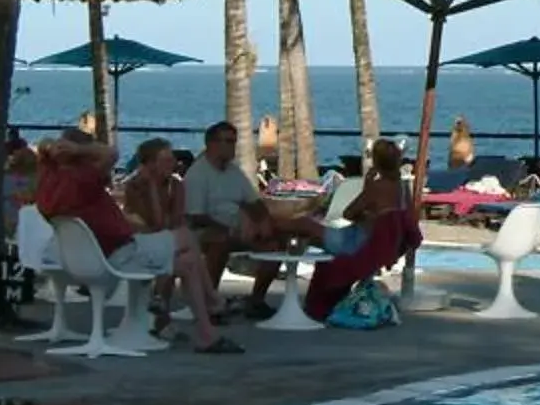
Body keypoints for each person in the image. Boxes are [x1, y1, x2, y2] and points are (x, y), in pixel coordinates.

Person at [35, 129, 237, 352]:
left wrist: (48, 148)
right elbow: (111, 154)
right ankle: (213, 302)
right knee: (186, 237)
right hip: (119, 255)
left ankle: (207, 333)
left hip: (90, 259)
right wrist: (79, 150)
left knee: (188, 261)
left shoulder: (48, 181)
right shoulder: (83, 180)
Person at [185, 119, 326, 316]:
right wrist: (230, 229)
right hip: (206, 231)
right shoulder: (198, 174)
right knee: (220, 241)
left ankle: (256, 300)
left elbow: (254, 203)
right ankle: (208, 304)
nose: (230, 146)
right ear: (211, 144)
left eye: (233, 141)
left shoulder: (234, 172)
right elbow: (195, 217)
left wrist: (262, 221)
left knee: (279, 240)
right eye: (225, 141)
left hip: (241, 228)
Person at [303, 135, 416, 320]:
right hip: (385, 246)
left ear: (376, 162)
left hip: (360, 243)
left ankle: (311, 307)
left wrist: (367, 188)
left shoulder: (376, 188)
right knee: (307, 230)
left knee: (302, 226)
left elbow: (348, 213)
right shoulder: (404, 190)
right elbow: (407, 220)